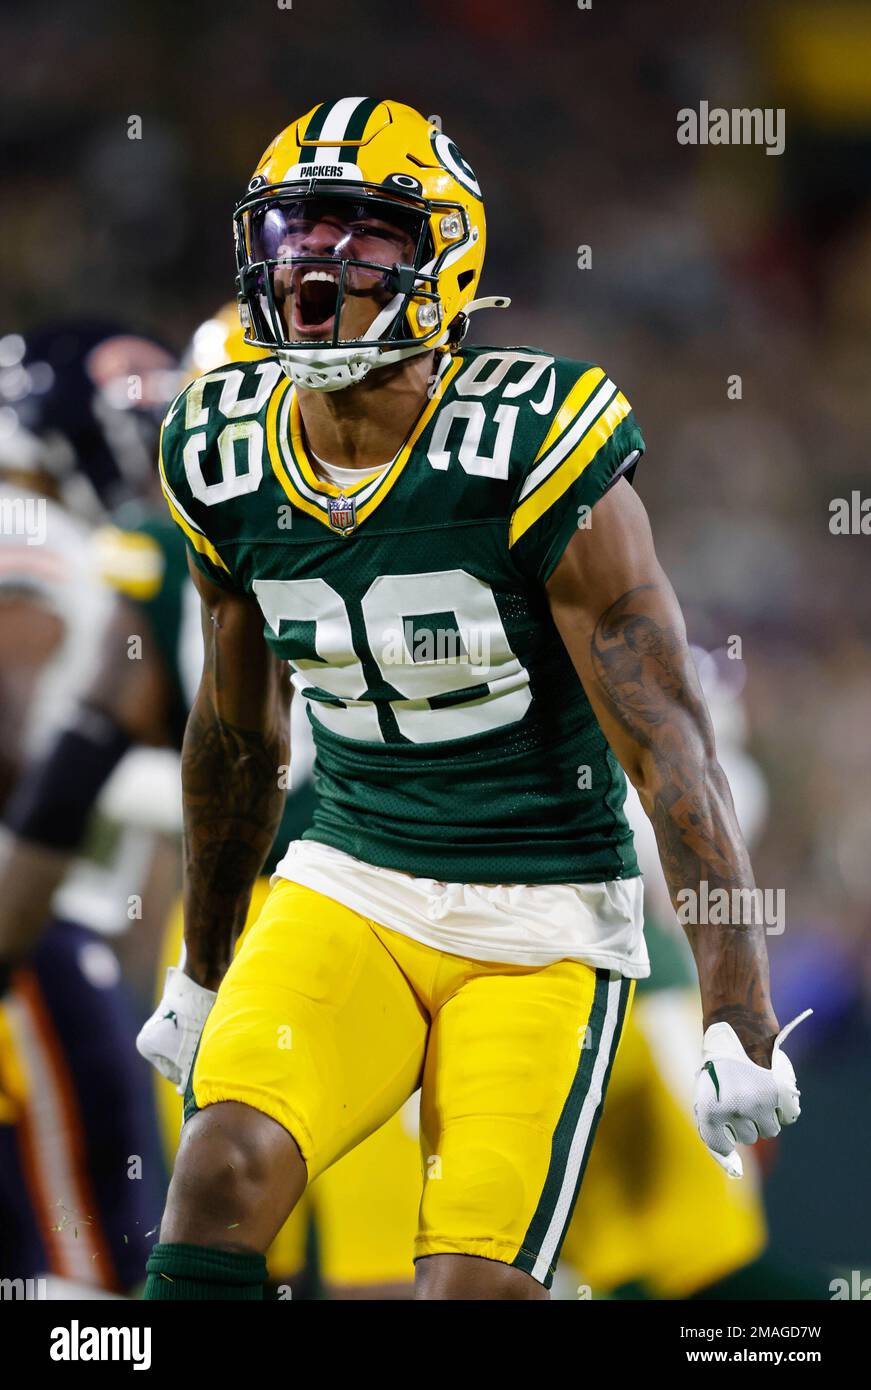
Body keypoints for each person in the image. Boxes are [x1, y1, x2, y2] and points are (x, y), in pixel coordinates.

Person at [142, 98, 807, 1301]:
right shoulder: (220, 443)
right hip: (351, 878)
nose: (312, 263)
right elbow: (237, 736)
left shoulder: (531, 435)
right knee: (223, 1168)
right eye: (294, 228)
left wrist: (737, 1006)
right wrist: (201, 966)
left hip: (540, 921)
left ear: (444, 256)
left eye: (362, 232)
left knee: (470, 1285)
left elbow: (670, 750)